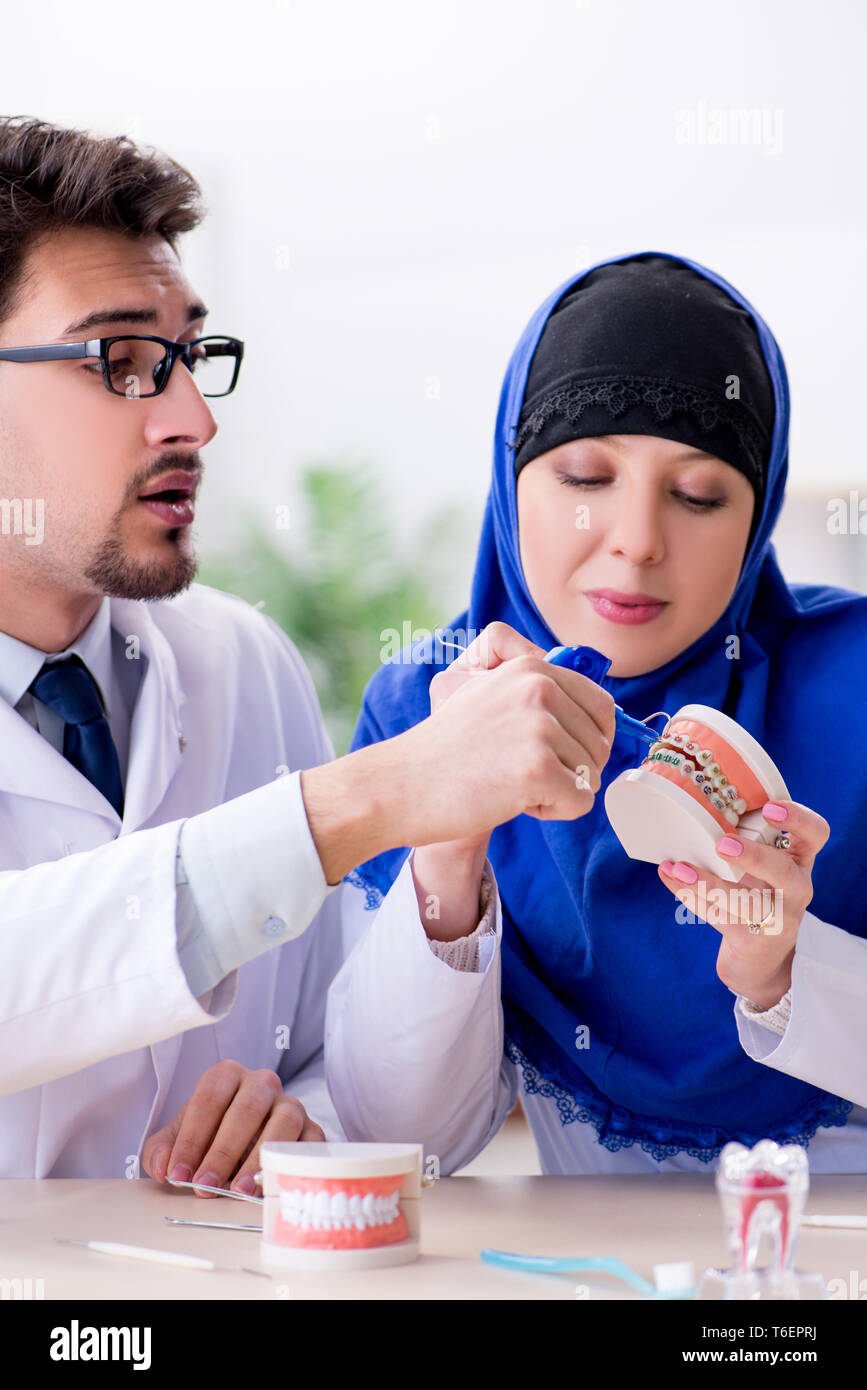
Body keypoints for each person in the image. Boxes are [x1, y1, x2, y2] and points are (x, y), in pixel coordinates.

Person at [0, 116, 601, 1187]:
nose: (192, 417)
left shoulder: (242, 659)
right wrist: (376, 795)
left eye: (190, 356)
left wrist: (295, 1119)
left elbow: (349, 1077)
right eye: (124, 361)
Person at [326, 250, 867, 1175]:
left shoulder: (849, 685)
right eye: (582, 478)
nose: (638, 541)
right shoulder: (426, 706)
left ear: (756, 514)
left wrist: (783, 969)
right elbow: (401, 1140)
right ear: (511, 483)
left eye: (698, 494)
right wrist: (446, 846)